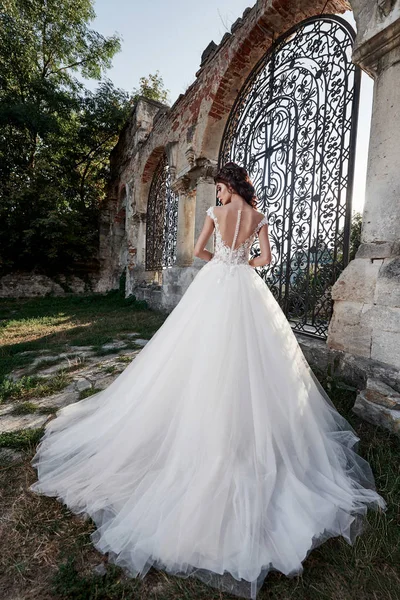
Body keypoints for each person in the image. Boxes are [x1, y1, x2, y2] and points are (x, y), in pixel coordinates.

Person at [29, 162, 387, 600]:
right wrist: (243, 261)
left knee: (195, 354)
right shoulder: (257, 217)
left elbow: (198, 252)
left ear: (226, 187)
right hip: (247, 289)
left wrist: (222, 258)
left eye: (219, 188)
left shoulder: (216, 215)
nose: (217, 194)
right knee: (255, 362)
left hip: (216, 285)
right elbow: (267, 260)